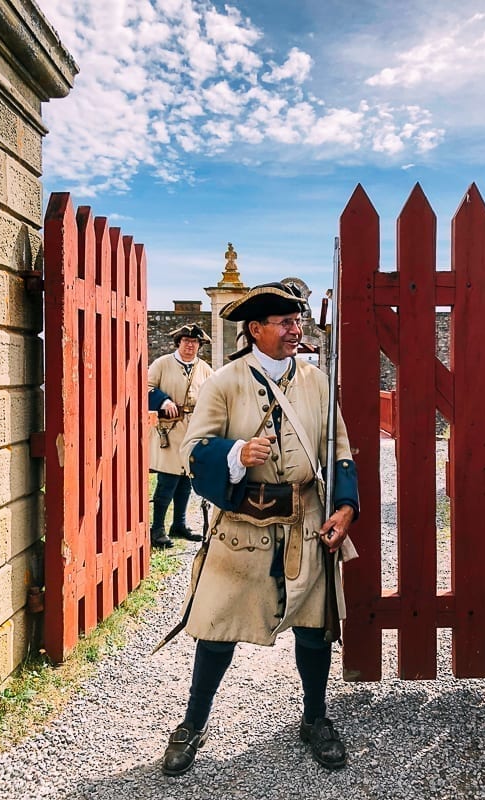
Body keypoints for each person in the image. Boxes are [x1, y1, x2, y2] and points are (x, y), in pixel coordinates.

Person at [160, 282, 359, 776]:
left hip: (306, 522)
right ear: (255, 330)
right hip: (241, 527)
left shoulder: (316, 380)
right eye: (286, 323)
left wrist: (346, 507)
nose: (296, 330)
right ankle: (192, 723)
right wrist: (235, 453)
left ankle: (314, 718)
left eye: (298, 321)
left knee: (315, 628)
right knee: (217, 629)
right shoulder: (224, 381)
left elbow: (340, 451)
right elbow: (192, 450)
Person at [148, 323, 213, 548]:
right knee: (167, 481)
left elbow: (214, 394)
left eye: (194, 342)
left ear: (199, 345)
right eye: (185, 341)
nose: (189, 345)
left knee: (186, 479)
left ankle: (179, 524)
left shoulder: (204, 368)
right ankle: (156, 530)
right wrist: (163, 400)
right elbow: (145, 387)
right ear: (178, 343)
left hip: (192, 431)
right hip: (169, 429)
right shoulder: (162, 364)